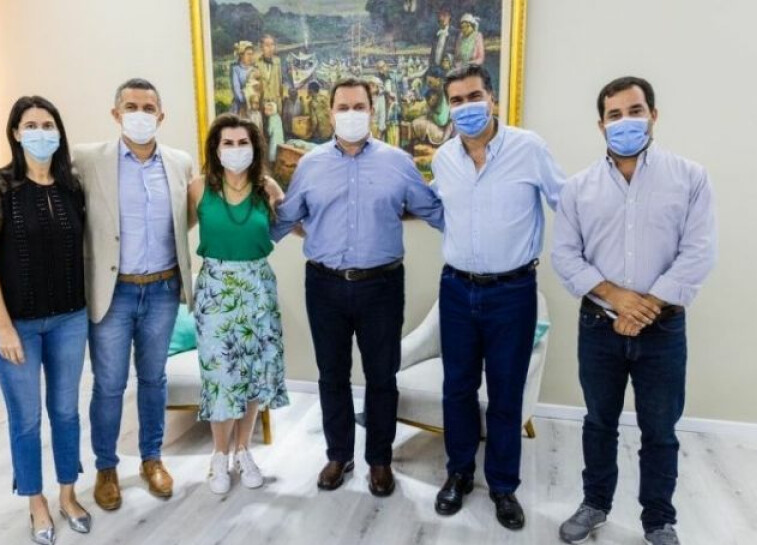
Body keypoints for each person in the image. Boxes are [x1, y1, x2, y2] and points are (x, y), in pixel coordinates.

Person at [553, 76, 717, 545]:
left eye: (635, 111)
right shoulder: (578, 188)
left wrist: (647, 305)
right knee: (598, 422)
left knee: (660, 430)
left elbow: (698, 251)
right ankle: (595, 504)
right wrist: (616, 297)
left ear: (653, 115)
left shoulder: (690, 178)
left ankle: (659, 520)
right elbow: (565, 255)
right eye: (615, 115)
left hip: (663, 330)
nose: (625, 121)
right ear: (601, 124)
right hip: (598, 326)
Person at [272, 77, 444, 498]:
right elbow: (286, 217)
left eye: (359, 106)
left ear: (372, 110)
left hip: (381, 285)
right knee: (332, 374)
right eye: (343, 107)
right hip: (324, 285)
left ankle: (379, 461)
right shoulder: (310, 165)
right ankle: (339, 455)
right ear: (331, 113)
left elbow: (432, 209)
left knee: (382, 376)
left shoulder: (398, 162)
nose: (351, 114)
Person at [430, 64, 565, 530]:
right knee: (457, 388)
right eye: (456, 100)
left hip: (513, 291)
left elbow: (566, 203)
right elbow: (439, 209)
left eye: (474, 97)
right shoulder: (443, 159)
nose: (466, 107)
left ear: (493, 99)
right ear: (449, 108)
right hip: (456, 288)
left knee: (506, 392)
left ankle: (504, 487)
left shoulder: (529, 148)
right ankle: (459, 473)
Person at [0, 96, 91, 545]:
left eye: (48, 124)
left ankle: (68, 494)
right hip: (15, 325)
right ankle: (36, 501)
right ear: (16, 134)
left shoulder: (72, 187)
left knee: (66, 412)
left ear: (59, 132)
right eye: (31, 125)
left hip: (69, 320)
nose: (41, 132)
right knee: (26, 419)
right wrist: (2, 326)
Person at [73, 78, 194, 511]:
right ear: (116, 114)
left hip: (162, 289)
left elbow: (185, 219)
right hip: (113, 292)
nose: (140, 114)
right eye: (131, 107)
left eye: (148, 107)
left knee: (153, 379)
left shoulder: (180, 163)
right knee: (109, 385)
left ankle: (151, 458)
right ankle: (106, 467)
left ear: (161, 115)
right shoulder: (88, 159)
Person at [187, 113, 290, 494]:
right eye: (227, 143)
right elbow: (171, 232)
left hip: (258, 289)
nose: (235, 149)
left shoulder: (268, 188)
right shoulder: (198, 188)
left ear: (254, 147)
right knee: (221, 376)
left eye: (242, 142)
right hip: (215, 290)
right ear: (215, 149)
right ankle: (219, 455)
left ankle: (243, 450)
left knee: (252, 375)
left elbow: (297, 226)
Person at [257, 34, 285, 119]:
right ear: (261, 47)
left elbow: (280, 82)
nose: (270, 48)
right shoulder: (257, 63)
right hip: (263, 103)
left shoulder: (278, 61)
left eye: (272, 45)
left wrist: (280, 99)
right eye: (267, 45)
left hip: (276, 102)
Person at [231, 41, 256, 116]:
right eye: (248, 54)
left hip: (254, 104)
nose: (250, 57)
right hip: (240, 105)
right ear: (241, 55)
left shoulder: (254, 68)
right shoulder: (236, 69)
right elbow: (236, 88)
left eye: (252, 54)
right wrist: (246, 99)